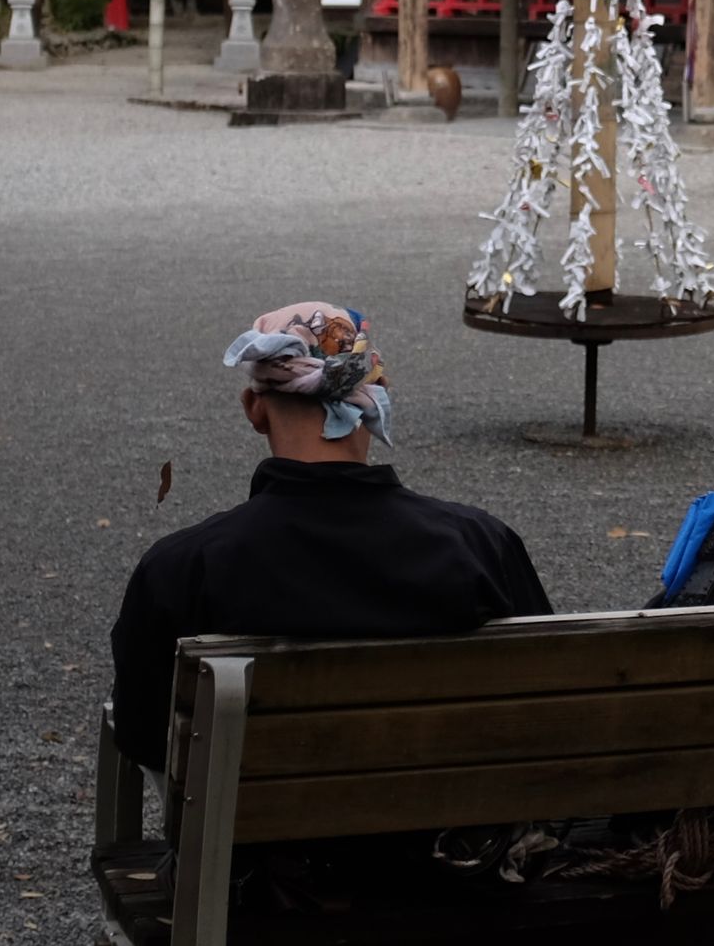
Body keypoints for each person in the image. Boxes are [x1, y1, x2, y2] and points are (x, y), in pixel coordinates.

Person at [107, 302, 552, 774]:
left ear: (255, 409)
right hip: (451, 840)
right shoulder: (481, 546)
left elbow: (145, 737)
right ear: (377, 394)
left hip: (249, 844)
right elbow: (551, 700)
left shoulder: (183, 568)